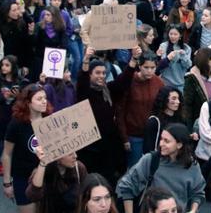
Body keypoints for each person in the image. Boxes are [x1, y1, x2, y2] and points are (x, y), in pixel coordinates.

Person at [76, 45, 142, 183]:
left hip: (108, 145)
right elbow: (82, 79)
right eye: (97, 73)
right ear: (90, 74)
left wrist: (134, 59)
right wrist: (86, 59)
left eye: (103, 73)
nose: (101, 76)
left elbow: (123, 81)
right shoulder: (85, 91)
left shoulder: (108, 90)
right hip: (90, 147)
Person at [118, 123, 205, 213]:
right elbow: (127, 187)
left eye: (166, 141)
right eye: (161, 139)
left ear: (179, 145)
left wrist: (193, 210)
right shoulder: (151, 160)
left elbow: (198, 193)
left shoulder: (192, 165)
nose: (161, 144)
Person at [2, 84, 51, 212]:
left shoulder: (50, 119)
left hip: (47, 177)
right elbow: (7, 154)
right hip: (23, 178)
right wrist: (7, 183)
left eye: (45, 98)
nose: (44, 101)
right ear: (28, 103)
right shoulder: (17, 123)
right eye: (39, 99)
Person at [117, 51, 165, 169]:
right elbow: (120, 110)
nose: (149, 71)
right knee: (135, 168)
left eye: (153, 67)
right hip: (133, 135)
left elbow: (161, 107)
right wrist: (124, 137)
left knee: (151, 167)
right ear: (139, 66)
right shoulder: (130, 81)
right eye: (146, 67)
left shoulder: (158, 82)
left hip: (152, 134)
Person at [0, 55, 26, 177]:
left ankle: (12, 163)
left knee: (17, 143)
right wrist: (3, 97)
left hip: (15, 117)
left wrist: (18, 95)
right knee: (2, 143)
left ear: (13, 67)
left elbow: (26, 98)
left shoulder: (19, 81)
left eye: (7, 65)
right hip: (0, 117)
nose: (3, 67)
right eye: (2, 65)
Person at [25, 149, 88, 213]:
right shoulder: (42, 171)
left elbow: (87, 195)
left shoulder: (79, 168)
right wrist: (42, 163)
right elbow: (33, 196)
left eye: (75, 152)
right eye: (70, 154)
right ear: (58, 157)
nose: (75, 156)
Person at [183, 47, 211, 129]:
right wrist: (189, 128)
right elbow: (187, 105)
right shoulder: (192, 78)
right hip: (199, 121)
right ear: (206, 60)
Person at [142, 86, 184, 154]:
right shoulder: (154, 121)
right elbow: (149, 148)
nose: (178, 102)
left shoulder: (180, 119)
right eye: (174, 99)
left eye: (178, 99)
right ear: (164, 99)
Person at [156, 25, 192, 92]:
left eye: (175, 34)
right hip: (165, 81)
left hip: (180, 83)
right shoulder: (163, 45)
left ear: (180, 35)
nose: (172, 36)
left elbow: (188, 65)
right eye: (171, 34)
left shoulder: (186, 48)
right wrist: (168, 58)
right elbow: (160, 65)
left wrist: (183, 56)